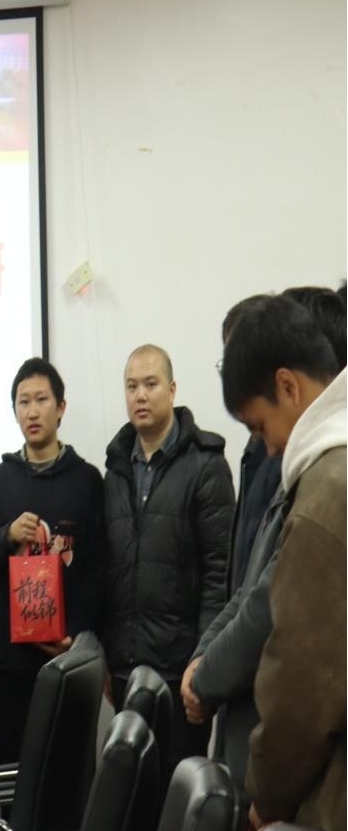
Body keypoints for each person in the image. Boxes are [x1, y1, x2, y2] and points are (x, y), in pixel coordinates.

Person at [180, 290, 345, 789]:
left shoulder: (328, 487)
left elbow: (303, 678)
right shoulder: (312, 470)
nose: (267, 446)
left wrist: (268, 795)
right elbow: (248, 586)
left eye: (259, 425)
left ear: (287, 385)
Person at [101, 345, 234, 770]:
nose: (140, 395)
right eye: (131, 386)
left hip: (180, 673)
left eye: (150, 384)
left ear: (172, 390)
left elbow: (220, 574)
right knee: (130, 794)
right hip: (125, 669)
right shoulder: (115, 469)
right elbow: (107, 570)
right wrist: (106, 655)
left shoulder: (206, 466)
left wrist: (203, 660)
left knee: (178, 794)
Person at [0, 359, 105, 765]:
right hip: (8, 666)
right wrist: (6, 536)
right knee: (13, 778)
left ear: (61, 407)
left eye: (41, 400)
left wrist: (75, 632)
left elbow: (100, 570)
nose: (32, 411)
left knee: (68, 779)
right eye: (23, 402)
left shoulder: (87, 480)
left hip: (69, 661)